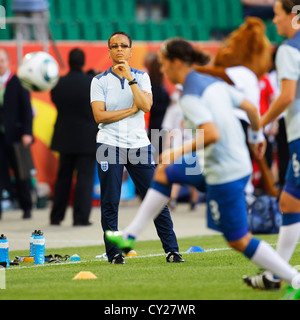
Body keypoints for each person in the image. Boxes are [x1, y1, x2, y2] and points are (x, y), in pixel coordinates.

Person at [105, 38, 300, 299]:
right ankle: (130, 234)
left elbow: (211, 133)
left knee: (238, 240)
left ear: (176, 63)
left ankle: (294, 279)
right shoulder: (212, 82)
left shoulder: (190, 96)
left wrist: (175, 151)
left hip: (225, 170)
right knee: (164, 172)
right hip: (224, 162)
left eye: (164, 65)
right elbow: (251, 109)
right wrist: (256, 137)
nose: (162, 70)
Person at [90, 31, 183, 264]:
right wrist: (131, 110)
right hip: (108, 143)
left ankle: (172, 251)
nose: (119, 49)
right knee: (110, 201)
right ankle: (114, 254)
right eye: (114, 46)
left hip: (139, 145)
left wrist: (130, 79)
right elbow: (99, 115)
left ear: (131, 50)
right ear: (109, 50)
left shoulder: (141, 77)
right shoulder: (98, 81)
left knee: (155, 198)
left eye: (123, 45)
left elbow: (146, 105)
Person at [243, 0, 300, 299]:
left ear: (293, 16)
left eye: (276, 16)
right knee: (289, 202)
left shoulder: (290, 49)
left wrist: (260, 125)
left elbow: (287, 96)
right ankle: (276, 274)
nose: (274, 22)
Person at [50, 48, 98, 226]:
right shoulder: (91, 82)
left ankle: (56, 216)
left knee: (63, 178)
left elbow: (56, 100)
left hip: (64, 137)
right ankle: (81, 218)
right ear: (83, 62)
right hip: (87, 139)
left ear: (68, 62)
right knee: (84, 179)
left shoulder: (58, 83)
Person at [0, 48, 33, 219]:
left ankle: (26, 207)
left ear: (8, 62)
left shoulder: (18, 82)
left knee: (22, 173)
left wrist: (27, 132)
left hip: (17, 135)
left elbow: (27, 109)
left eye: (2, 60)